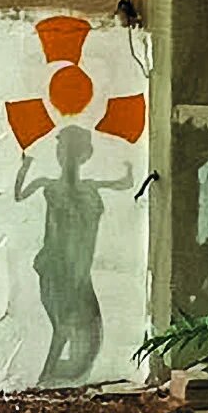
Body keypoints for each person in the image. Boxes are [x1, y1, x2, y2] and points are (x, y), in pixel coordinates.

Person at [14, 126, 133, 385]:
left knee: (79, 328)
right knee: (63, 324)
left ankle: (48, 379)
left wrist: (130, 170)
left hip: (80, 269)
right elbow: (19, 195)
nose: (65, 156)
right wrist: (24, 167)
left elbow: (125, 184)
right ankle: (45, 379)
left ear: (85, 155)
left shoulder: (90, 188)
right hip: (56, 268)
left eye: (72, 150)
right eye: (61, 149)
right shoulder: (50, 186)